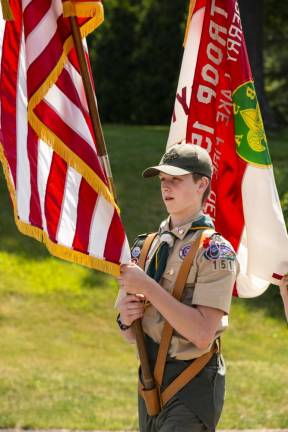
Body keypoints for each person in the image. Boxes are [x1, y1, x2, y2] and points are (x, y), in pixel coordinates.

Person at [115, 143, 239, 432]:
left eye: (176, 179)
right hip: (149, 379)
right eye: (163, 180)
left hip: (192, 383)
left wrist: (149, 287)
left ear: (201, 185)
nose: (166, 187)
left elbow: (202, 334)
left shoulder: (214, 250)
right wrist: (125, 317)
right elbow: (129, 334)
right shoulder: (145, 246)